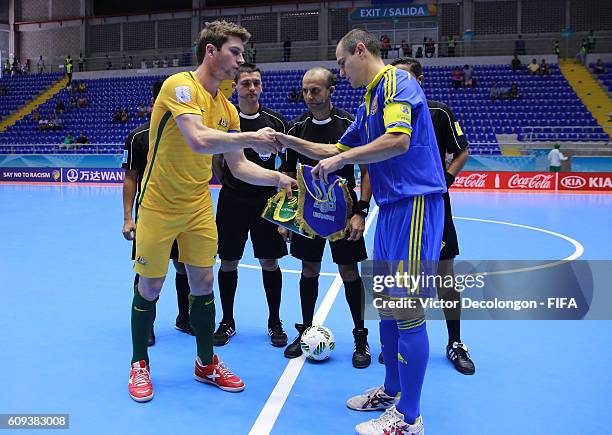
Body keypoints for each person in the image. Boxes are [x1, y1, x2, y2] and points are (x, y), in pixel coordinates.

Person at [274, 29, 446, 434]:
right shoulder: (370, 98)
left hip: (416, 203)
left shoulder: (396, 83)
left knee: (407, 309)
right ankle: (391, 390)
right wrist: (286, 139)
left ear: (360, 51)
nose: (341, 71)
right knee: (386, 303)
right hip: (391, 209)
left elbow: (398, 141)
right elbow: (334, 150)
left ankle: (410, 418)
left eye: (341, 63)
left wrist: (343, 161)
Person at [127, 20, 293, 403]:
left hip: (198, 204)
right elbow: (198, 139)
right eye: (235, 52)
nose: (240, 60)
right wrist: (253, 136)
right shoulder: (180, 86)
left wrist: (277, 180)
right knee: (151, 286)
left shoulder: (227, 109)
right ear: (211, 52)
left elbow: (238, 167)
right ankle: (139, 364)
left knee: (203, 284)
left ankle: (205, 363)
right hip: (158, 204)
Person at [279, 67, 373, 368]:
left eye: (315, 90)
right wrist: (288, 215)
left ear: (331, 91)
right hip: (308, 215)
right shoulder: (295, 129)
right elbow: (287, 175)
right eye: (305, 90)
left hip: (343, 217)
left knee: (349, 272)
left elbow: (368, 171)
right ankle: (306, 329)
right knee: (309, 270)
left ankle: (361, 337)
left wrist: (360, 211)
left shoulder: (350, 125)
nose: (309, 96)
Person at [389, 57, 474, 375]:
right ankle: (401, 339)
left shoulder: (438, 112)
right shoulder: (387, 114)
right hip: (397, 206)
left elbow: (463, 149)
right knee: (401, 277)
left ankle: (455, 342)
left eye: (405, 78)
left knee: (444, 274)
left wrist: (446, 180)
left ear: (420, 80)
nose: (398, 84)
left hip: (433, 205)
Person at [211, 63, 290, 347]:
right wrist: (234, 184)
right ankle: (227, 320)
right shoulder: (225, 121)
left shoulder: (276, 122)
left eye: (256, 82)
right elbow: (218, 163)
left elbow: (287, 165)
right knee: (229, 261)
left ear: (262, 85)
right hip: (232, 201)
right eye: (245, 83)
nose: (252, 88)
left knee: (269, 261)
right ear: (235, 87)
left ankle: (275, 322)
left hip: (266, 203)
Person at [122, 80, 194, 347]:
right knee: (146, 270)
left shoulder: (190, 133)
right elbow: (131, 179)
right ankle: (146, 326)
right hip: (152, 214)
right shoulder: (139, 136)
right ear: (156, 101)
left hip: (186, 214)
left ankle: (185, 318)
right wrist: (128, 217)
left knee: (184, 266)